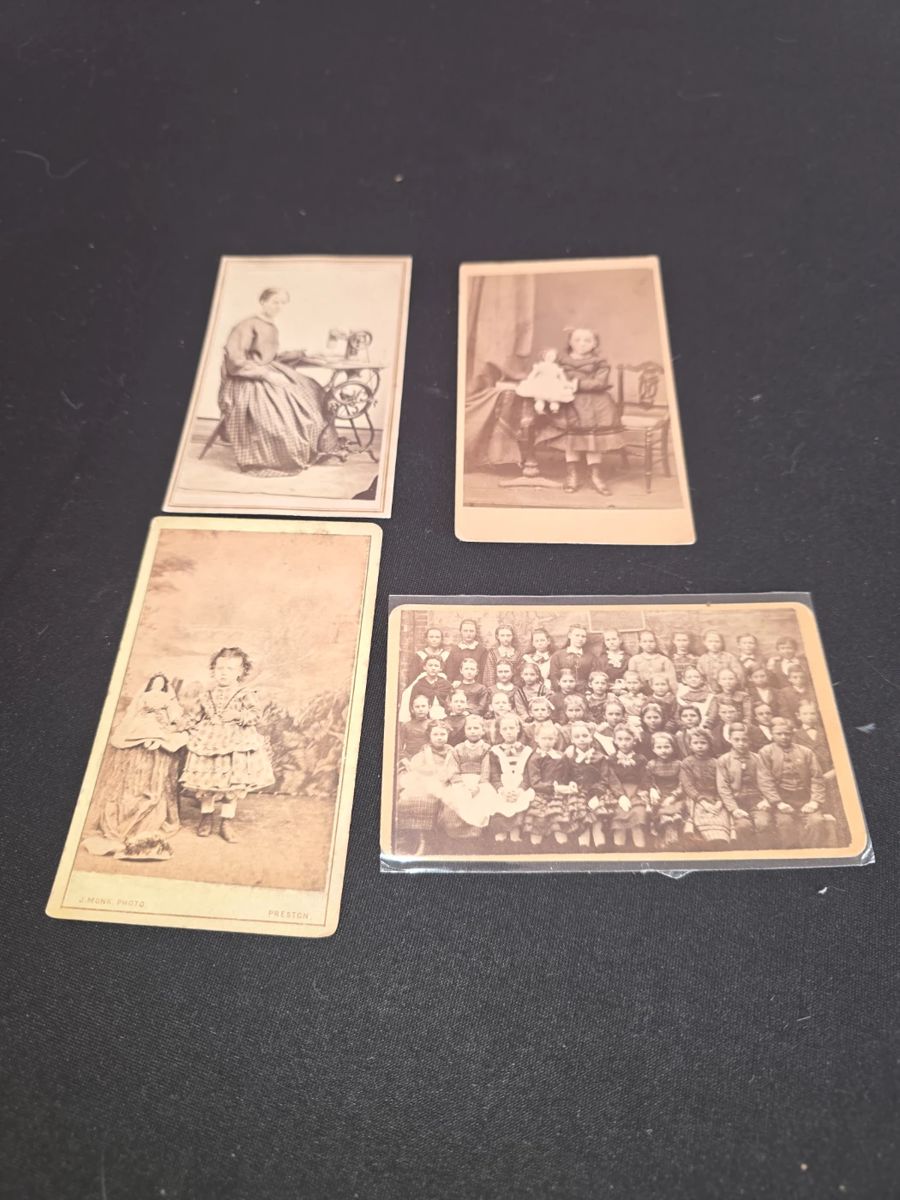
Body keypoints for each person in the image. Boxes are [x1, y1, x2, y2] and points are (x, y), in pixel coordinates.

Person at [216, 287, 341, 475]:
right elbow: (235, 360)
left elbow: (270, 356)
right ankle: (283, 455)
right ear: (263, 302)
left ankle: (317, 447)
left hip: (267, 368)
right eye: (275, 302)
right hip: (245, 378)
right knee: (279, 413)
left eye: (283, 303)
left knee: (312, 392)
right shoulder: (246, 325)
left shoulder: (271, 326)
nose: (279, 307)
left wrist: (302, 353)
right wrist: (265, 374)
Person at [86, 674, 188, 855]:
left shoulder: (167, 699)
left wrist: (170, 721)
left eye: (161, 683)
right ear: (150, 684)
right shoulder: (144, 696)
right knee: (137, 733)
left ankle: (154, 740)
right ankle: (143, 740)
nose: (157, 685)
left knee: (160, 735)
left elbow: (174, 715)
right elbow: (134, 712)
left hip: (159, 725)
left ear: (164, 686)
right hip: (142, 723)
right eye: (155, 683)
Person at [180, 647, 274, 843]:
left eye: (230, 669)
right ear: (213, 669)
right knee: (208, 781)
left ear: (240, 671)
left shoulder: (245, 693)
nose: (223, 673)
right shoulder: (206, 694)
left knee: (232, 783)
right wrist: (181, 724)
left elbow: (256, 715)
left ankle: (226, 822)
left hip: (235, 742)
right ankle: (206, 817)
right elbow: (196, 716)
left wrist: (237, 715)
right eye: (220, 668)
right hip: (209, 740)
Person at [540, 327, 625, 494]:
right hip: (568, 402)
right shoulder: (561, 361)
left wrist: (577, 384)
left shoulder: (600, 362)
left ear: (595, 344)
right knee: (571, 440)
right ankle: (572, 475)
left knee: (593, 441)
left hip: (594, 403)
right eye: (577, 340)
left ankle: (596, 476)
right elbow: (552, 376)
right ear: (570, 342)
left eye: (587, 340)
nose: (582, 344)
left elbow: (600, 382)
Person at [757, 718, 836, 848]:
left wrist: (815, 801)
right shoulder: (766, 752)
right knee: (785, 823)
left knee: (817, 822)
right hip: (782, 798)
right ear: (772, 734)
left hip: (805, 797)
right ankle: (791, 854)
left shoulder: (806, 752)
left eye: (787, 733)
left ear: (792, 734)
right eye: (779, 734)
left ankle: (813, 854)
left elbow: (817, 778)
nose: (784, 737)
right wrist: (778, 802)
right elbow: (765, 780)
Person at [397, 720, 460, 854]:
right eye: (435, 734)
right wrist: (427, 773)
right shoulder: (425, 750)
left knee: (442, 799)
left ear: (448, 735)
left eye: (442, 734)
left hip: (445, 781)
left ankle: (430, 840)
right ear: (429, 736)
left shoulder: (451, 751)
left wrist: (444, 776)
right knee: (410, 797)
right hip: (426, 779)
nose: (439, 737)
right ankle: (418, 837)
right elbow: (417, 767)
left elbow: (453, 768)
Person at [715, 722, 780, 848]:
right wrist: (734, 809)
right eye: (736, 740)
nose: (741, 743)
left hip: (757, 801)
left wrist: (766, 800)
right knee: (743, 827)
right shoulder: (724, 760)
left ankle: (767, 855)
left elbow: (769, 781)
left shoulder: (758, 758)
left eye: (744, 740)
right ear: (730, 739)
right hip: (737, 802)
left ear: (749, 740)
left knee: (763, 824)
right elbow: (723, 788)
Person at [477, 715, 535, 843]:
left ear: (518, 729)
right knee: (498, 802)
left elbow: (528, 774)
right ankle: (501, 831)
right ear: (500, 731)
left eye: (512, 728)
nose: (509, 732)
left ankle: (515, 830)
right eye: (505, 729)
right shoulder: (495, 751)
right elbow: (494, 774)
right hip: (503, 786)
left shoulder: (527, 750)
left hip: (520, 785)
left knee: (522, 800)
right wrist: (501, 789)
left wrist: (520, 789)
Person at [556, 722, 608, 848]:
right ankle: (584, 846)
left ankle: (600, 845)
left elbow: (604, 778)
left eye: (585, 736)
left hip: (596, 791)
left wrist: (596, 793)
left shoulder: (600, 757)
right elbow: (564, 776)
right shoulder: (569, 756)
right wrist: (570, 783)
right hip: (577, 792)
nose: (581, 739)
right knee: (580, 813)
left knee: (597, 815)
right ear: (572, 740)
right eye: (577, 736)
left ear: (591, 737)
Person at [680, 728, 731, 848]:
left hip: (715, 797)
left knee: (719, 814)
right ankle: (702, 841)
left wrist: (719, 801)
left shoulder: (716, 762)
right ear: (690, 745)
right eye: (695, 743)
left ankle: (719, 841)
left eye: (703, 743)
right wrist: (703, 802)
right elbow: (688, 786)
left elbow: (722, 784)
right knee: (698, 815)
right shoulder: (687, 763)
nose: (699, 746)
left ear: (709, 744)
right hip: (695, 797)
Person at [605, 723, 651, 849]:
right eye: (620, 739)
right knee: (619, 818)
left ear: (634, 741)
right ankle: (619, 851)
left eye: (627, 739)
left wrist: (644, 791)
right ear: (615, 741)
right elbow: (612, 779)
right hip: (618, 792)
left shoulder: (640, 759)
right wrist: (620, 796)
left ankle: (640, 851)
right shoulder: (611, 759)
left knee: (637, 817)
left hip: (637, 792)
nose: (624, 743)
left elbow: (646, 777)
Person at [522, 721, 565, 846]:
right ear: (536, 738)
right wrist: (552, 788)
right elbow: (534, 782)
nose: (547, 742)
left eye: (550, 739)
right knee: (539, 818)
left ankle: (561, 842)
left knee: (558, 816)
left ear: (556, 739)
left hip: (558, 793)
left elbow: (565, 775)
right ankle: (536, 845)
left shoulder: (560, 756)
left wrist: (564, 786)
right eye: (544, 738)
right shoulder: (535, 758)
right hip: (541, 792)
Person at [646, 731, 685, 849]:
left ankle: (672, 836)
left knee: (677, 810)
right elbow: (648, 781)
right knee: (659, 810)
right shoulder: (651, 764)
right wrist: (652, 789)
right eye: (659, 747)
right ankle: (666, 834)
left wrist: (673, 796)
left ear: (673, 748)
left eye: (667, 747)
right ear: (653, 749)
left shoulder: (679, 764)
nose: (663, 750)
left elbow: (683, 783)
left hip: (675, 795)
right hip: (659, 794)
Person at [398, 694, 432, 762]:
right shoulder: (406, 725)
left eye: (423, 706)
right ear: (412, 709)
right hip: (409, 758)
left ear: (429, 707)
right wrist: (404, 759)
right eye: (417, 707)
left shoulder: (433, 724)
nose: (420, 709)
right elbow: (399, 746)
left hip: (428, 758)